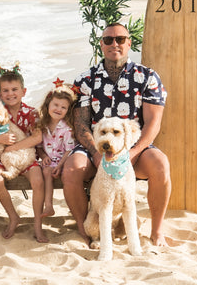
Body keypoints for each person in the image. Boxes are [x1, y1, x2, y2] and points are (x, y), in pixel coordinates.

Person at [62, 23, 171, 247]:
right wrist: (95, 153)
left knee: (160, 163)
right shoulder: (85, 79)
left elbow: (153, 123)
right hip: (94, 145)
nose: (115, 44)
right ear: (101, 44)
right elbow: (80, 124)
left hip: (133, 146)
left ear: (129, 43)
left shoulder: (147, 77)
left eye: (120, 39)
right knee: (72, 168)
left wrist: (132, 152)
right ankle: (86, 230)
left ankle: (157, 231)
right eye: (109, 40)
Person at [0, 66, 48, 243]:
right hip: (5, 160)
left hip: (27, 159)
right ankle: (13, 216)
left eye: (14, 90)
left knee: (37, 180)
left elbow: (37, 137)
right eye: (5, 90)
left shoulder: (31, 112)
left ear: (23, 91)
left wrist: (14, 147)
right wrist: (0, 140)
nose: (10, 94)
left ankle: (37, 224)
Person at [36, 80, 76, 219]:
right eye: (56, 105)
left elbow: (69, 150)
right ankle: (44, 208)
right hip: (48, 162)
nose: (58, 109)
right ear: (48, 105)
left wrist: (59, 166)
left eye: (63, 107)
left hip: (63, 162)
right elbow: (39, 147)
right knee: (41, 172)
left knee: (47, 172)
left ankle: (49, 205)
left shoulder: (67, 128)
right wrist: (43, 156)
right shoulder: (42, 125)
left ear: (68, 111)